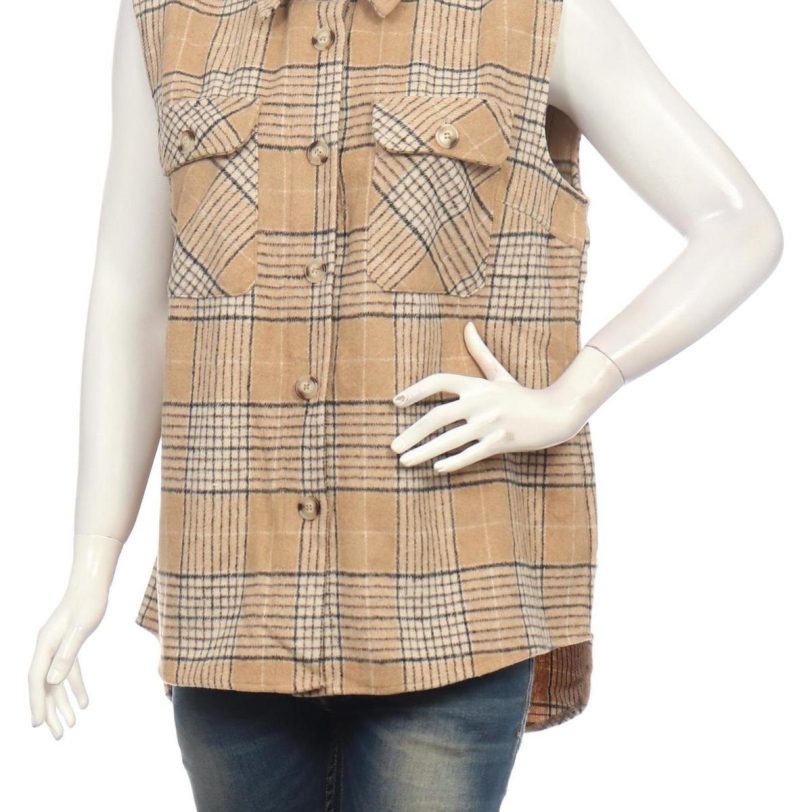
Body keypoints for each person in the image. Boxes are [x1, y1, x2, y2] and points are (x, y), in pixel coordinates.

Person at [28, 0, 782, 809]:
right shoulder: (166, 17)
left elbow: (739, 226)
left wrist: (573, 395)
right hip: (231, 600)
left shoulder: (536, 14)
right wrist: (92, 562)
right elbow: (132, 298)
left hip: (449, 596)